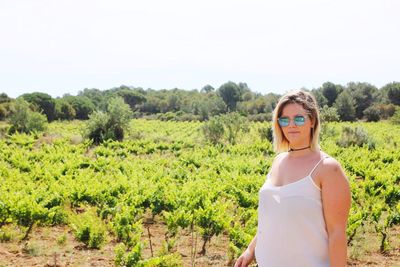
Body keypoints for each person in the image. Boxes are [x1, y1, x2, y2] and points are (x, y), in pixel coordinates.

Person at [234, 90, 351, 267]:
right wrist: (250, 250)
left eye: (299, 118)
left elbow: (337, 233)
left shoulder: (327, 168)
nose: (291, 125)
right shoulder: (277, 161)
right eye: (284, 119)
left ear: (312, 121)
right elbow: (273, 217)